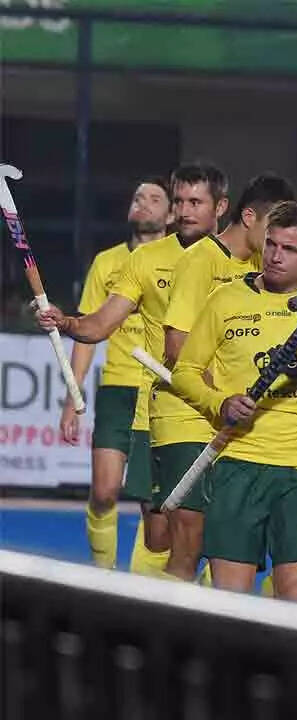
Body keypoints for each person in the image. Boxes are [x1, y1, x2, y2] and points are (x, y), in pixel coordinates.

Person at [33, 164, 230, 582]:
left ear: (221, 207)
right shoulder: (143, 260)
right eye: (180, 201)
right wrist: (66, 322)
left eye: (195, 202)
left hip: (224, 413)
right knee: (158, 533)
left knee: (213, 533)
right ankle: (121, 593)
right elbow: (98, 324)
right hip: (161, 411)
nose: (185, 210)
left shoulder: (241, 259)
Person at [169, 201, 297, 601]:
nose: (276, 256)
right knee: (230, 599)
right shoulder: (225, 300)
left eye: (290, 249)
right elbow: (184, 372)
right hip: (237, 467)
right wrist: (219, 403)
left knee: (295, 595)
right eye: (272, 244)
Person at [159, 172, 294, 582]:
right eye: (272, 230)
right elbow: (176, 346)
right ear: (249, 217)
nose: (277, 244)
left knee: (221, 547)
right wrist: (221, 399)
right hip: (187, 414)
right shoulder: (200, 260)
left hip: (231, 422)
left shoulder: (259, 268)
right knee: (188, 541)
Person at [61, 177, 171, 571]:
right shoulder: (106, 263)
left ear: (171, 214)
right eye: (138, 196)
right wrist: (72, 397)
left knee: (153, 504)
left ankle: (142, 589)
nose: (143, 202)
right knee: (105, 492)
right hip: (117, 390)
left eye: (154, 198)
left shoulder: (181, 261)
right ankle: (103, 578)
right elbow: (87, 333)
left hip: (161, 393)